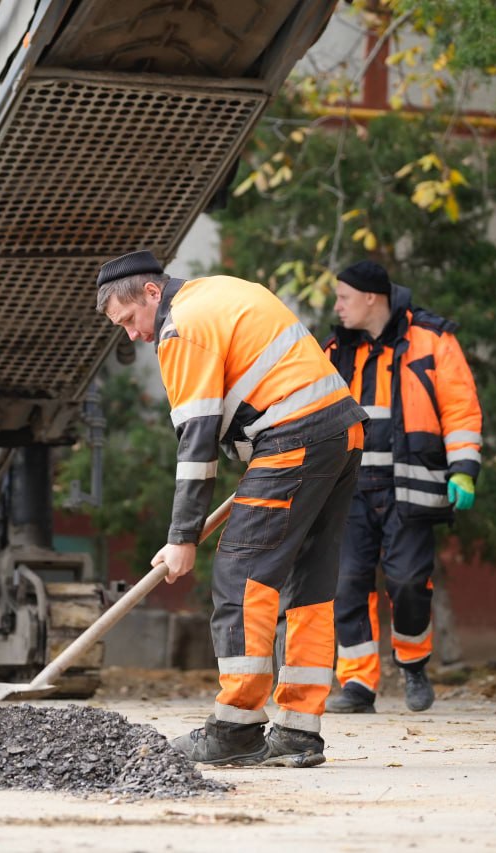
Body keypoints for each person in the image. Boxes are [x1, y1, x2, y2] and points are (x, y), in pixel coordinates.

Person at [96, 250, 366, 767]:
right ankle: (298, 733)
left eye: (130, 320)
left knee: (241, 576)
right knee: (308, 586)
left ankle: (237, 728)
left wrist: (182, 539)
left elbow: (195, 445)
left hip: (294, 437)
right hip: (340, 432)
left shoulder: (181, 329)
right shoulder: (218, 291)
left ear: (152, 293)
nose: (133, 335)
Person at [322, 260, 482, 714]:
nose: (338, 307)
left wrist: (464, 468)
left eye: (344, 297)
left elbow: (461, 407)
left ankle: (413, 665)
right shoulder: (335, 350)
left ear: (371, 298)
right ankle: (357, 685)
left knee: (410, 581)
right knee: (348, 584)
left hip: (409, 487)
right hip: (349, 490)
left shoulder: (433, 339)